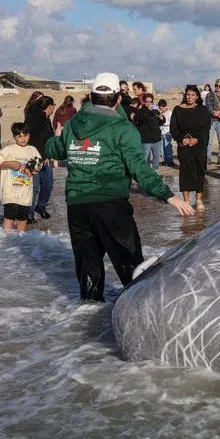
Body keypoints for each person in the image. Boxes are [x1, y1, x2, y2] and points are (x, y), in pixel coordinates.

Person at [45, 73, 194, 303]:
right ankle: (146, 316)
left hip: (77, 206)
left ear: (92, 97)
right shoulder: (123, 128)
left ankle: (88, 319)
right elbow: (139, 168)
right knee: (132, 267)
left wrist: (55, 138)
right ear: (117, 99)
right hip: (111, 204)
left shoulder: (74, 124)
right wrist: (169, 196)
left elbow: (54, 150)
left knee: (88, 268)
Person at [0, 122, 42, 233]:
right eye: (19, 136)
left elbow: (38, 165)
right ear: (14, 137)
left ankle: (20, 240)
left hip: (25, 192)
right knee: (10, 215)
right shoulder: (9, 149)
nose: (23, 138)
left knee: (23, 217)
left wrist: (35, 168)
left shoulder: (32, 150)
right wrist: (10, 164)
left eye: (26, 135)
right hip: (10, 191)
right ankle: (6, 238)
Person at [170, 85, 211, 211]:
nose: (190, 97)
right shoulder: (178, 109)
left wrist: (197, 140)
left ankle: (198, 199)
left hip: (199, 145)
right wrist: (181, 139)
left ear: (197, 96)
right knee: (185, 171)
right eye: (188, 94)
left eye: (193, 95)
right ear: (185, 95)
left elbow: (206, 128)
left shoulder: (203, 110)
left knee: (199, 170)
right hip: (184, 145)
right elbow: (173, 128)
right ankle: (187, 200)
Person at [24, 95, 56, 221]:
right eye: (53, 106)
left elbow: (48, 138)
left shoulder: (46, 118)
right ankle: (29, 213)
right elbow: (32, 138)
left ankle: (41, 206)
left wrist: (48, 155)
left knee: (48, 184)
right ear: (49, 107)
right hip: (33, 158)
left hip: (45, 158)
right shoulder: (33, 117)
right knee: (34, 187)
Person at [134, 93, 164, 173]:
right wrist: (147, 111)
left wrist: (162, 118)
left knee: (157, 156)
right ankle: (143, 173)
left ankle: (155, 172)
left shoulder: (155, 111)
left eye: (151, 102)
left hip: (156, 139)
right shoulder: (140, 111)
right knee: (144, 157)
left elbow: (160, 122)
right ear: (144, 102)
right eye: (147, 101)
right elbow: (138, 118)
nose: (149, 103)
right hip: (146, 139)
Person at [205, 80, 220, 165]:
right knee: (209, 140)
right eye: (216, 85)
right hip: (211, 120)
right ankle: (208, 157)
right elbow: (208, 106)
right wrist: (215, 113)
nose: (218, 87)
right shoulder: (209, 95)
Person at [157, 99, 174, 166]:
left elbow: (170, 122)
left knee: (167, 147)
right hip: (161, 132)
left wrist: (162, 121)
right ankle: (165, 160)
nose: (161, 109)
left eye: (162, 107)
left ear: (166, 106)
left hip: (167, 132)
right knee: (162, 147)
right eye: (160, 107)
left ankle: (170, 161)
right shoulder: (160, 113)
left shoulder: (169, 113)